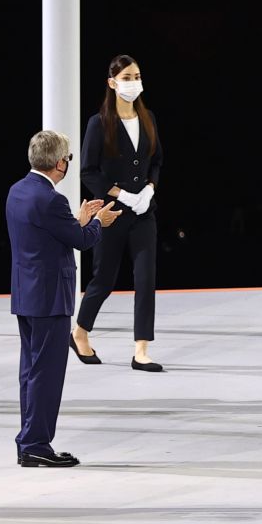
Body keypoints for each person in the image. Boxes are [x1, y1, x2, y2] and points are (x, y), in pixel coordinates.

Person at [8, 130, 122, 467]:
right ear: (60, 163)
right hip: (49, 298)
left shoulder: (18, 191)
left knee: (30, 371)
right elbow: (82, 241)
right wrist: (98, 223)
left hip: (26, 295)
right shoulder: (51, 199)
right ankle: (36, 445)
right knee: (46, 373)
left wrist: (80, 221)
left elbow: (49, 234)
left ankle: (28, 440)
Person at [72, 54, 165, 372]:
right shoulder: (99, 123)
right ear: (112, 83)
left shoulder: (148, 118)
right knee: (104, 278)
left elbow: (156, 161)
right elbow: (88, 171)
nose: (133, 82)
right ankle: (80, 331)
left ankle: (141, 349)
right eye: (126, 77)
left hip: (143, 212)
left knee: (145, 278)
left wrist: (150, 188)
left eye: (136, 76)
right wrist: (122, 193)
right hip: (111, 212)